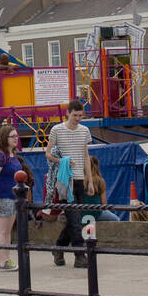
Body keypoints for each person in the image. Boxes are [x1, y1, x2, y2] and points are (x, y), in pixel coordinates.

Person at [47, 100, 95, 268]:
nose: (78, 119)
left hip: (80, 179)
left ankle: (58, 247)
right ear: (68, 113)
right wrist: (63, 161)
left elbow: (86, 156)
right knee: (74, 219)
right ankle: (79, 255)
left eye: (81, 116)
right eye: (75, 115)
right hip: (65, 179)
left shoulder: (84, 131)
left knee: (75, 218)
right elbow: (48, 153)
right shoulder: (57, 130)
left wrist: (89, 180)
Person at [0, 124, 23, 269]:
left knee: (8, 231)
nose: (16, 138)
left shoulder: (13, 155)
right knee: (1, 230)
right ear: (5, 138)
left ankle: (7, 258)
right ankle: (3, 261)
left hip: (12, 197)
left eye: (16, 136)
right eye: (12, 136)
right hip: (2, 198)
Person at [88, 156, 120, 221]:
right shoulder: (100, 181)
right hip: (96, 213)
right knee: (117, 220)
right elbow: (104, 203)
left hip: (82, 213)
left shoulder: (81, 181)